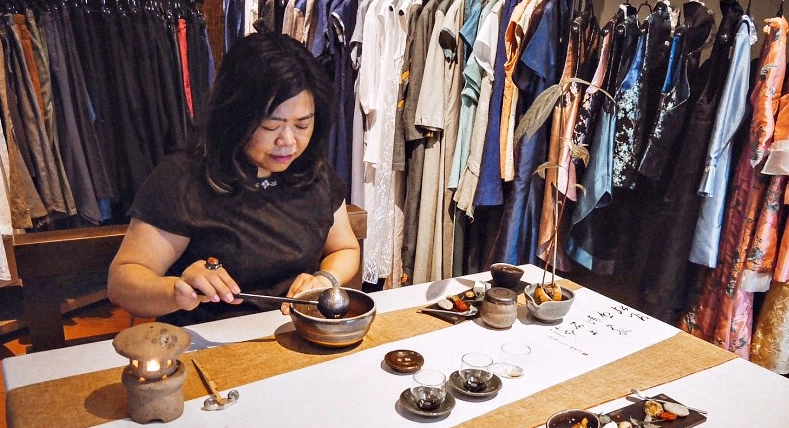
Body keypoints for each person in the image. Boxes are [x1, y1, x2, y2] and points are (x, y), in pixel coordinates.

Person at [107, 31, 360, 326]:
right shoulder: (184, 178)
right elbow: (122, 281)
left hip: (297, 333)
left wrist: (325, 278)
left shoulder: (312, 170)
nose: (289, 142)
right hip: (213, 342)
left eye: (303, 124)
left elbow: (345, 248)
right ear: (235, 116)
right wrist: (176, 290)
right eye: (270, 126)